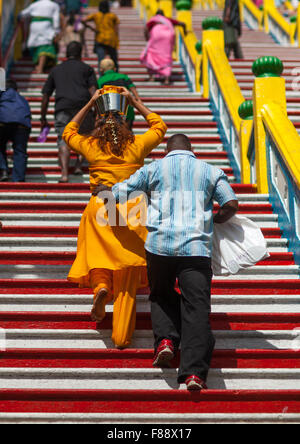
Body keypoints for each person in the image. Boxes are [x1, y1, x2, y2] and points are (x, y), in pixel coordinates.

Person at [92, 134, 239, 390]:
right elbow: (231, 204)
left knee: (160, 294)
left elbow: (119, 194)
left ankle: (166, 341)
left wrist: (105, 191)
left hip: (159, 247)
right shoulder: (210, 171)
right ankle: (194, 374)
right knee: (197, 308)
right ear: (191, 149)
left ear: (167, 150)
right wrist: (213, 220)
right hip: (196, 250)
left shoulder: (154, 168)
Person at [62, 87, 167, 349]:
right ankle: (121, 336)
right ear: (125, 124)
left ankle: (100, 286)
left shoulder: (91, 146)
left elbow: (68, 132)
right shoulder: (136, 145)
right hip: (132, 210)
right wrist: (135, 101)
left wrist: (90, 102)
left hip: (101, 205)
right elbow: (159, 126)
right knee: (128, 275)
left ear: (99, 124)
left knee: (99, 256)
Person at [41, 41, 98, 183]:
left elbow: (46, 95)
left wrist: (43, 117)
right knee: (84, 137)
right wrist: (98, 111)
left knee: (63, 139)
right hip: (83, 108)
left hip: (63, 107)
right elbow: (93, 91)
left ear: (66, 53)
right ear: (80, 53)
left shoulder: (56, 70)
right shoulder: (87, 68)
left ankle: (64, 174)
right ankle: (78, 165)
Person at [140, 10, 186, 86]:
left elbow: (146, 29)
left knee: (150, 54)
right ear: (163, 15)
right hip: (168, 36)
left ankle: (151, 77)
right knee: (166, 56)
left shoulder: (154, 19)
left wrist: (148, 39)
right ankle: (166, 79)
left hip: (156, 34)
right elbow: (182, 24)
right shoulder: (167, 20)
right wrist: (185, 32)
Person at [0, 79, 31, 182]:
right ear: (16, 89)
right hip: (22, 126)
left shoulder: (2, 94)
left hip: (3, 122)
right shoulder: (22, 99)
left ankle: (3, 170)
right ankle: (18, 179)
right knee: (20, 151)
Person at [98, 58, 141, 130]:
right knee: (128, 131)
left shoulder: (100, 81)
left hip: (111, 110)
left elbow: (99, 96)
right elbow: (132, 87)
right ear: (114, 69)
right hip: (127, 107)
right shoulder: (123, 76)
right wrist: (138, 99)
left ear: (101, 70)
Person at [19, 0, 61, 74]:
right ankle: (40, 68)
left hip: (34, 25)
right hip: (46, 25)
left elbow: (23, 14)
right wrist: (56, 32)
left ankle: (39, 66)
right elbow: (56, 19)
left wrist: (18, 18)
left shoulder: (35, 4)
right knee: (45, 46)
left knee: (37, 45)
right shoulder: (54, 5)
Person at [82, 1, 120, 73]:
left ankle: (101, 76)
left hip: (100, 39)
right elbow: (116, 29)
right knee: (114, 59)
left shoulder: (96, 15)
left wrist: (91, 28)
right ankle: (116, 75)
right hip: (111, 39)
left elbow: (83, 20)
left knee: (101, 60)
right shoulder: (112, 16)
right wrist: (117, 40)